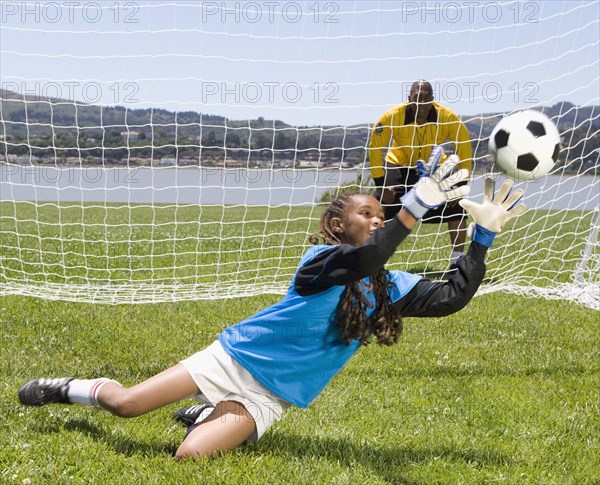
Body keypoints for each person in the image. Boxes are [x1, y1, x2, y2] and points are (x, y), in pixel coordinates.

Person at [17, 155, 526, 459]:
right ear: (336, 227)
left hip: (272, 394)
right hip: (234, 357)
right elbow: (368, 255)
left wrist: (482, 235)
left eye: (380, 214)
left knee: (189, 455)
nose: (375, 220)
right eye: (364, 214)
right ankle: (68, 388)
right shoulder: (321, 261)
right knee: (126, 405)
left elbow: (452, 298)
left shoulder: (389, 286)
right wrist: (416, 203)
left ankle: (206, 415)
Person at [369, 80, 473, 270]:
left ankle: (456, 262)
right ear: (409, 99)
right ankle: (374, 261)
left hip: (434, 167)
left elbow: (464, 151)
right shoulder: (393, 116)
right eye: (417, 98)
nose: (421, 103)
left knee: (456, 204)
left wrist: (460, 184)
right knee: (382, 205)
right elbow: (375, 149)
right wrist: (381, 184)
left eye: (426, 98)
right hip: (399, 164)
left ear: (432, 100)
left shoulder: (448, 117)